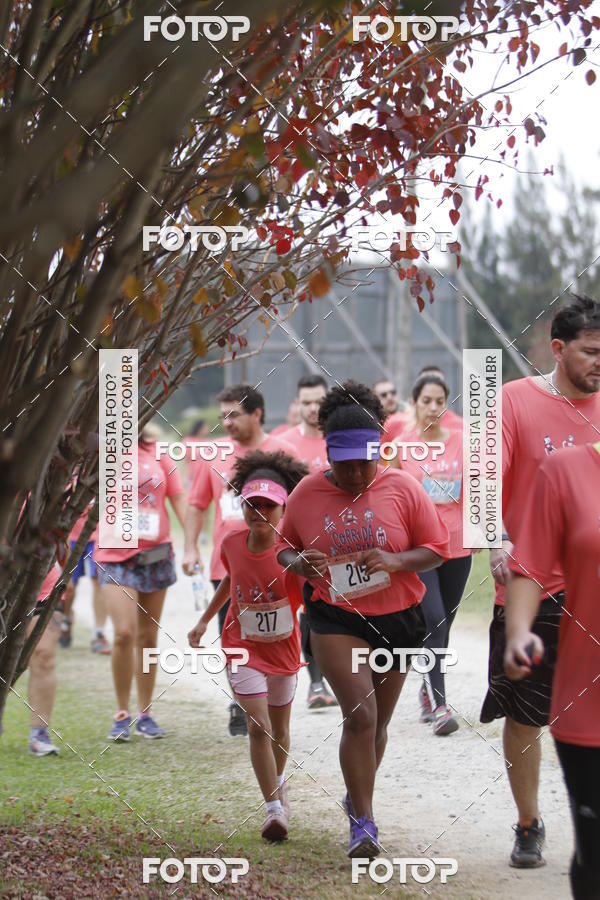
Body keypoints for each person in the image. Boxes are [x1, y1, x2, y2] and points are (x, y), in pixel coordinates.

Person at [276, 380, 449, 858]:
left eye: (364, 463)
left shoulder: (403, 487)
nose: (354, 474)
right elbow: (283, 548)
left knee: (378, 725)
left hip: (399, 618)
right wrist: (298, 563)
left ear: (380, 451)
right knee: (360, 715)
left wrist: (396, 561)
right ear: (327, 453)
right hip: (336, 617)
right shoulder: (307, 493)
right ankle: (364, 823)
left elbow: (436, 549)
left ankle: (358, 795)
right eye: (344, 463)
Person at [480, 294, 600, 867]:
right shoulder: (514, 400)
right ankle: (528, 822)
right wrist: (496, 540)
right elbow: (485, 478)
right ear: (558, 348)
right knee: (527, 713)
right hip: (535, 586)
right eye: (591, 351)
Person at [189, 451, 308, 842]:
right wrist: (205, 619)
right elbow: (231, 579)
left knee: (280, 730)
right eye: (251, 504)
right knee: (259, 726)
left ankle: (278, 779)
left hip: (284, 650)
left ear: (283, 509)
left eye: (268, 506)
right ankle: (273, 809)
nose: (259, 512)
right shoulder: (231, 543)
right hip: (242, 647)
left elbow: (315, 593)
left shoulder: (293, 553)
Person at [504, 441, 600, 899]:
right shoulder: (565, 470)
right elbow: (529, 567)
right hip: (589, 700)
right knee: (596, 853)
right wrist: (518, 633)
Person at [183, 384, 299, 737]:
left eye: (234, 415)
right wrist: (190, 547)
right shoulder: (214, 455)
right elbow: (196, 504)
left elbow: (302, 505)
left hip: (278, 563)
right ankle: (243, 698)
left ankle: (276, 696)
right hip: (229, 563)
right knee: (234, 631)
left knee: (278, 629)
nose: (227, 423)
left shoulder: (284, 452)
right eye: (223, 416)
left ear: (257, 414)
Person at [95, 424, 186, 741]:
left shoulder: (158, 452)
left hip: (155, 554)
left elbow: (178, 499)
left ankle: (145, 713)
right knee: (123, 633)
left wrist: (192, 544)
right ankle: (122, 713)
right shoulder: (101, 449)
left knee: (148, 637)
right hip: (114, 554)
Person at [394, 373, 472, 735]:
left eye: (440, 401)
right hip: (420, 550)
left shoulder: (462, 442)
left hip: (457, 548)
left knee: (445, 624)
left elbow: (479, 492)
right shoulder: (401, 447)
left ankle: (428, 685)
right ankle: (441, 706)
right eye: (426, 401)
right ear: (414, 403)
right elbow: (390, 498)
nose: (433, 408)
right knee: (435, 621)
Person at [281, 375, 338, 710]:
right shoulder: (284, 445)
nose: (313, 408)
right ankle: (316, 683)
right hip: (302, 542)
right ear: (297, 404)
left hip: (343, 539)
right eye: (306, 402)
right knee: (309, 609)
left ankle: (343, 676)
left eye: (318, 401)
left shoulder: (339, 439)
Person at [27, 563, 74, 756]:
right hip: (6, 581)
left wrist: (68, 572)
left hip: (43, 583)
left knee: (44, 656)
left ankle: (39, 734)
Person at [60, 503, 111, 654]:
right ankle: (66, 620)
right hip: (71, 537)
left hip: (99, 536)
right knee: (69, 586)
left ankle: (99, 633)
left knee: (100, 583)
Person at [415, 365, 463, 432]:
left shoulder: (459, 426)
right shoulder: (402, 423)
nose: (432, 388)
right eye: (426, 401)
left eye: (438, 383)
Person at [183, 418, 210, 489]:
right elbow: (185, 461)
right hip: (192, 477)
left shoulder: (207, 442)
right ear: (199, 428)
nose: (207, 429)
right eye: (205, 427)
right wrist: (184, 477)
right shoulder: (188, 441)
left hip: (205, 477)